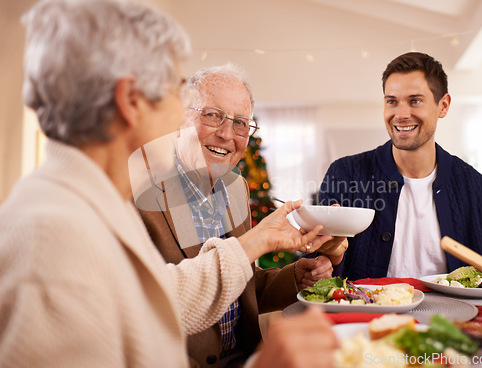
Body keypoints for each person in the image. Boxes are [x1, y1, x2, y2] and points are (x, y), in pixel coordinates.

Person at [0, 0, 338, 367]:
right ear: (131, 101)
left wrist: (260, 245)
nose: (180, 113)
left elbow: (162, 296)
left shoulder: (95, 203)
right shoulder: (54, 235)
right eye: (175, 90)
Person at [135, 63, 345, 367]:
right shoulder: (141, 193)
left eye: (240, 123)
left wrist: (294, 278)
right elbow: (144, 307)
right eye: (212, 115)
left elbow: (240, 282)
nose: (226, 134)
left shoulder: (235, 188)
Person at [318, 51, 482, 280]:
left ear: (443, 106)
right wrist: (331, 253)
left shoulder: (476, 188)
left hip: (452, 317)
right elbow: (317, 271)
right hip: (366, 315)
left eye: (415, 101)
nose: (401, 115)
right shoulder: (344, 175)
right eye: (392, 101)